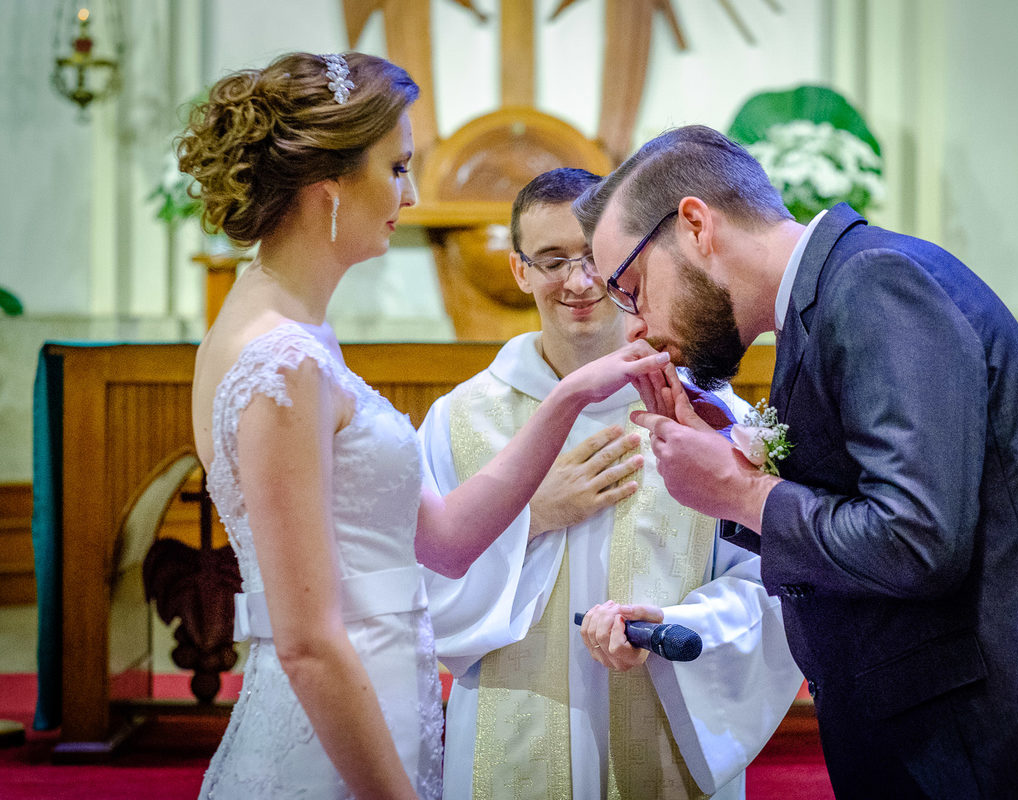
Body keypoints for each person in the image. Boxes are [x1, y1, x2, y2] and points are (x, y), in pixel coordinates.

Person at [572, 124, 1018, 799]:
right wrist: (738, 469)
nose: (629, 324)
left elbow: (917, 538)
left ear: (695, 225)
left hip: (996, 746)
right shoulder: (823, 302)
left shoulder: (872, 283)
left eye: (627, 287)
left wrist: (740, 496)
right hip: (951, 736)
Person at [183, 54, 670, 800]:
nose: (409, 194)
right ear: (331, 187)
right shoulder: (280, 362)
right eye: (398, 166)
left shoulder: (292, 333)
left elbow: (443, 540)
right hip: (334, 736)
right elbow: (309, 643)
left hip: (380, 700)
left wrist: (569, 396)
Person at [417, 167, 802, 799]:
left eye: (591, 257)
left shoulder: (706, 411)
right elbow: (421, 596)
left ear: (625, 260)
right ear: (520, 272)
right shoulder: (461, 419)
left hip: (663, 721)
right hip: (510, 732)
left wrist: (674, 627)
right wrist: (531, 516)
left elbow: (772, 582)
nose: (577, 281)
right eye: (549, 260)